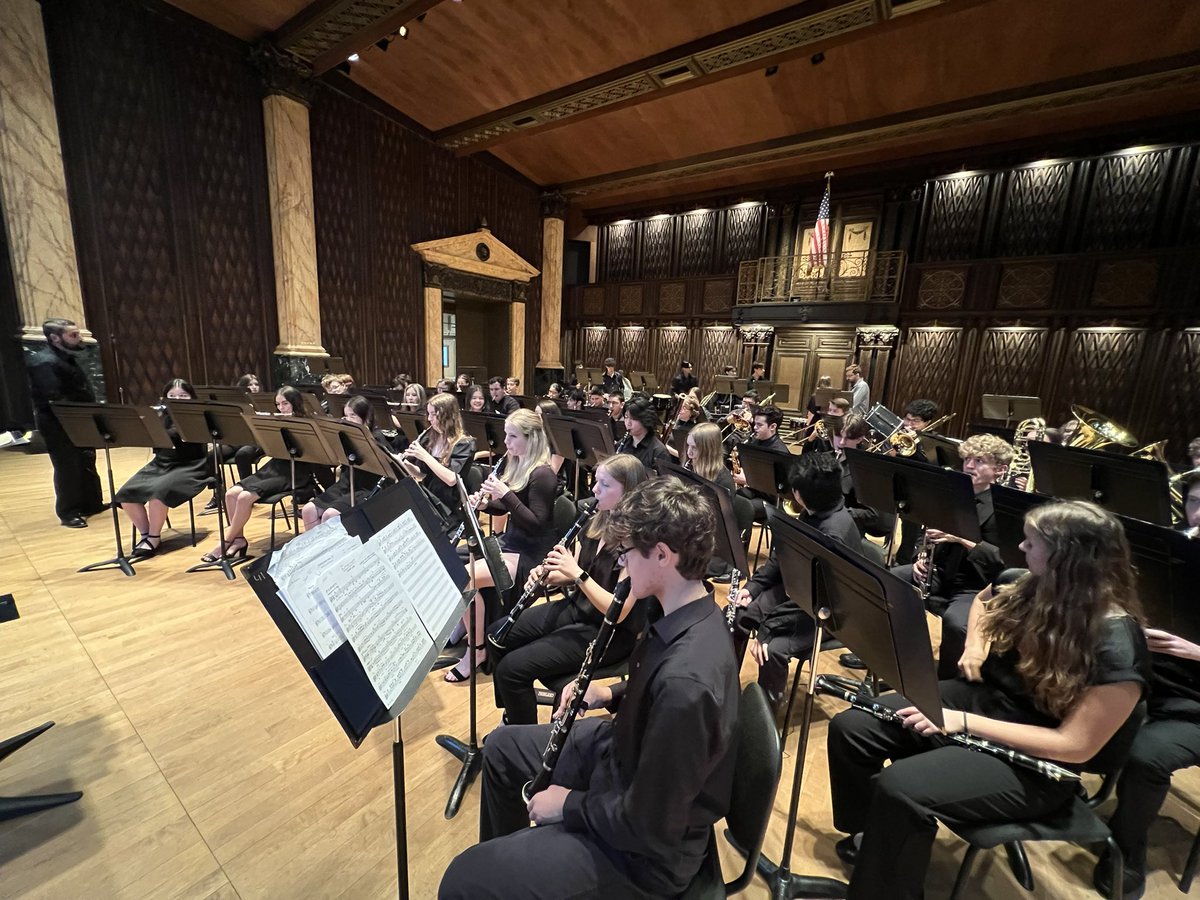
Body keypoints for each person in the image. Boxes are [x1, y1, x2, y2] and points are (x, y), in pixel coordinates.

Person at [828, 500, 1149, 900]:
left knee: (900, 786)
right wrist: (976, 645)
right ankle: (874, 840)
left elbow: (1076, 745)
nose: (1021, 546)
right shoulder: (1028, 582)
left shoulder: (1118, 645)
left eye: (1032, 543)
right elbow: (983, 600)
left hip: (1041, 763)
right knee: (854, 727)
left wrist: (961, 722)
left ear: (1067, 559)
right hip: (987, 701)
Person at [439, 477, 738, 900]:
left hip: (644, 854)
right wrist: (612, 692)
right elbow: (655, 686)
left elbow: (650, 823)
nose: (622, 563)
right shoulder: (685, 609)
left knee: (462, 879)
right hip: (621, 756)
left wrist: (568, 805)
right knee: (502, 747)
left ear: (662, 556)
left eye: (627, 554)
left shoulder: (687, 685)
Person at [1098, 475, 1200, 899]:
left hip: (1194, 705)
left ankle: (1127, 846)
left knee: (1146, 758)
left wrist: (1196, 651)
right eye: (1196, 502)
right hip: (1148, 677)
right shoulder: (1170, 555)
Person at [489, 455, 650, 725]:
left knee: (511, 669)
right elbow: (573, 570)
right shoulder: (595, 519)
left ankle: (522, 736)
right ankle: (516, 709)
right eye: (596, 482)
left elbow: (619, 612)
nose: (595, 490)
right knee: (496, 633)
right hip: (579, 608)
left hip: (609, 632)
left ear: (628, 492)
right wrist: (549, 577)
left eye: (605, 485)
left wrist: (576, 574)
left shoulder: (638, 541)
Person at [733, 452, 863, 704]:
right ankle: (726, 688)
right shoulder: (815, 511)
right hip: (799, 593)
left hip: (827, 611)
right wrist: (754, 587)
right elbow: (783, 556)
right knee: (741, 614)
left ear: (801, 495)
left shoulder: (834, 533)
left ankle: (764, 713)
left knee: (773, 649)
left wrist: (768, 629)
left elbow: (822, 597)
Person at [444, 409, 557, 683]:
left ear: (531, 438)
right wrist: (486, 503)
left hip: (530, 554)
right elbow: (508, 508)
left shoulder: (543, 474)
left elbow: (536, 523)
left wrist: (504, 494)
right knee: (456, 566)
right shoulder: (518, 463)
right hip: (511, 544)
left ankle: (477, 649)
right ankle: (467, 626)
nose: (506, 442)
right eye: (506, 435)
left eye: (512, 436)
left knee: (464, 579)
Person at [898, 433, 1012, 678]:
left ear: (1000, 470)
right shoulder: (951, 494)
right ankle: (900, 661)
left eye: (980, 461)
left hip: (975, 585)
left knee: (956, 623)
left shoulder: (1004, 507)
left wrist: (962, 539)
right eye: (967, 459)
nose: (969, 466)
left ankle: (947, 683)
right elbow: (924, 531)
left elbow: (1003, 562)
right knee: (888, 583)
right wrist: (920, 557)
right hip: (939, 571)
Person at [201, 387, 332, 561]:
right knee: (231, 494)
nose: (281, 408)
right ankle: (238, 540)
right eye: (278, 404)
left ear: (295, 403)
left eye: (285, 403)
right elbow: (266, 449)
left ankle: (225, 541)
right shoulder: (276, 421)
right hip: (274, 467)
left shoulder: (307, 423)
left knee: (244, 497)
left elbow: (315, 456)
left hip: (294, 472)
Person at [113, 379, 210, 556]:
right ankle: (146, 533)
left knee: (159, 494)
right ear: (164, 398)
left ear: (191, 398)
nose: (177, 399)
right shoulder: (161, 415)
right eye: (172, 396)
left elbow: (179, 438)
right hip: (162, 463)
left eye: (183, 396)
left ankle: (154, 537)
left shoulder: (197, 416)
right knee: (126, 495)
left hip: (191, 465)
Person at [26, 318, 104, 527]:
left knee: (86, 460)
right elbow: (55, 398)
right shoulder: (43, 361)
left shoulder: (65, 357)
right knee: (67, 465)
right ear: (55, 338)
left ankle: (92, 504)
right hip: (58, 422)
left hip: (77, 419)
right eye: (73, 335)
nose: (79, 338)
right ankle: (68, 512)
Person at [301, 395, 394, 530]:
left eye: (353, 416)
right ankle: (317, 549)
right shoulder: (344, 435)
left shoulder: (377, 438)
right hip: (346, 484)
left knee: (330, 515)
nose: (348, 420)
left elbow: (390, 473)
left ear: (366, 418)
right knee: (308, 510)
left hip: (366, 488)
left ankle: (334, 550)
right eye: (346, 416)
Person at [396, 393, 476, 536]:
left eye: (433, 414)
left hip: (449, 508)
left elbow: (451, 479)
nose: (429, 419)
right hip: (429, 499)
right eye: (428, 414)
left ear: (447, 415)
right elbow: (421, 474)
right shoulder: (430, 438)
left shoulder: (464, 443)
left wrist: (425, 456)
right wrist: (404, 463)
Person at [620, 396, 670, 471]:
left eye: (633, 419)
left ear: (645, 420)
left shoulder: (659, 452)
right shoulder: (623, 443)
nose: (628, 423)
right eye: (626, 417)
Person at [686, 423, 735, 495]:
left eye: (694, 448)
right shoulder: (690, 466)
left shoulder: (723, 483)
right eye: (688, 445)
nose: (689, 452)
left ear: (709, 450)